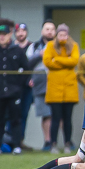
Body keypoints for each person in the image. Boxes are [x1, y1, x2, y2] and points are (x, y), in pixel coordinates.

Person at [43, 24, 80, 154]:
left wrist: (56, 60)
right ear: (56, 35)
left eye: (65, 34)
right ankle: (53, 144)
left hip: (69, 90)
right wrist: (66, 60)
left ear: (68, 35)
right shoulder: (50, 46)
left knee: (67, 119)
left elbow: (74, 61)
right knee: (55, 118)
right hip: (54, 90)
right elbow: (47, 61)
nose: (62, 37)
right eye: (60, 35)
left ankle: (67, 143)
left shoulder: (74, 45)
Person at [0, 19, 29, 155]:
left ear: (10, 34)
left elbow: (26, 70)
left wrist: (18, 85)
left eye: (4, 34)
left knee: (16, 119)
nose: (2, 36)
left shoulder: (18, 50)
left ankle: (17, 145)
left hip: (14, 91)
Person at [26, 20, 55, 151]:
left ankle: (59, 142)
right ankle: (48, 141)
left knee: (58, 114)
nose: (49, 31)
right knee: (46, 113)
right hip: (40, 82)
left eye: (52, 29)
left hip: (56, 82)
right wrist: (40, 55)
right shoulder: (34, 46)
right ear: (42, 31)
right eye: (47, 29)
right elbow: (27, 64)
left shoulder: (59, 46)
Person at [9, 23, 33, 150]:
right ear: (15, 33)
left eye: (23, 31)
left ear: (26, 32)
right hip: (12, 87)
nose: (21, 33)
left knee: (23, 114)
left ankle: (20, 141)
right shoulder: (11, 47)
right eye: (18, 31)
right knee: (10, 115)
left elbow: (32, 67)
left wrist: (31, 79)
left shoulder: (32, 47)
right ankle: (9, 141)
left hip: (27, 87)